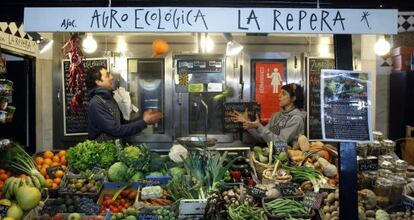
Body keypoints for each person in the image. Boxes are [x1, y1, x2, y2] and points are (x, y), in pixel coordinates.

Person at [86, 66, 163, 141]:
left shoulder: (109, 98)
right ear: (98, 82)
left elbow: (122, 124)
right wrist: (144, 122)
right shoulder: (96, 103)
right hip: (102, 151)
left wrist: (143, 119)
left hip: (114, 148)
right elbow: (115, 131)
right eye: (107, 75)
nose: (112, 77)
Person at [230, 83, 305, 145]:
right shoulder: (276, 116)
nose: (279, 96)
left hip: (288, 160)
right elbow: (262, 138)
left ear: (293, 98)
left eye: (284, 94)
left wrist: (259, 126)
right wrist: (248, 123)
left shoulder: (296, 119)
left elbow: (280, 142)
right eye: (280, 93)